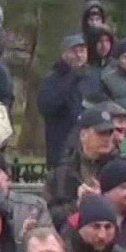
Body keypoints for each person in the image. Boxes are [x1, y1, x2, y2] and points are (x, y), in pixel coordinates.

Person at [37, 33, 90, 167]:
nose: (79, 55)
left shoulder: (91, 78)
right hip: (61, 143)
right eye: (74, 51)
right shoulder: (52, 80)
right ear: (64, 54)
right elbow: (47, 106)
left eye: (82, 51)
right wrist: (71, 79)